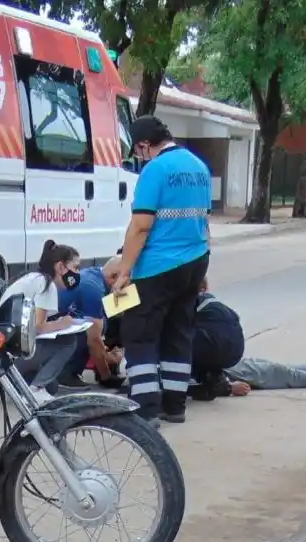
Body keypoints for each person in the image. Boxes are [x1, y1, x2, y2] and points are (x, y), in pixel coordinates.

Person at [105, 116, 211, 426]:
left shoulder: (155, 171)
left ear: (144, 145)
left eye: (137, 151)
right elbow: (203, 220)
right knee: (179, 332)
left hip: (157, 267)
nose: (138, 157)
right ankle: (175, 405)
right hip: (194, 261)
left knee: (140, 335)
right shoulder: (198, 167)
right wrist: (202, 264)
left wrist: (124, 272)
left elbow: (141, 226)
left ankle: (146, 409)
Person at [0, 240, 83, 404]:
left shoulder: (34, 278)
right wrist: (62, 324)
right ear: (60, 267)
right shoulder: (47, 285)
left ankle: (7, 384)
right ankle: (36, 389)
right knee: (69, 341)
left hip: (3, 353)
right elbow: (37, 327)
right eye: (75, 267)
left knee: (52, 386)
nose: (78, 273)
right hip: (11, 355)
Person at [190, 341, 306, 398]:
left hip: (218, 366)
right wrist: (228, 387)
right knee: (275, 371)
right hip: (218, 373)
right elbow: (189, 385)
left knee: (269, 366)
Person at [53, 260, 125, 391]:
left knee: (110, 318)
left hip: (62, 322)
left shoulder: (97, 276)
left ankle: (105, 362)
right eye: (126, 282)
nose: (128, 288)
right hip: (55, 332)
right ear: (114, 277)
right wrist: (107, 377)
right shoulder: (94, 290)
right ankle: (66, 372)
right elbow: (94, 341)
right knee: (89, 329)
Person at [189, 277, 244, 390]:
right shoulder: (218, 305)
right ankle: (214, 379)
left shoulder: (190, 301)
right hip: (236, 352)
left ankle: (189, 379)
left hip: (211, 348)